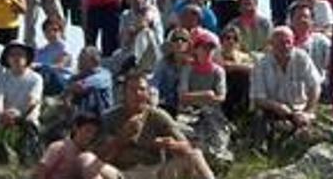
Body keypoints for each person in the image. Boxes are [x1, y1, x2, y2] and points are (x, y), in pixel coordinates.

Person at [79, 73, 215, 179]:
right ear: (124, 93)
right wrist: (121, 138)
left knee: (195, 155)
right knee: (85, 159)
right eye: (132, 90)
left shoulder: (158, 116)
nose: (138, 94)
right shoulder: (109, 118)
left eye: (142, 89)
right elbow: (99, 157)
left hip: (156, 173)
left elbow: (187, 147)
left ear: (148, 93)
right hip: (122, 173)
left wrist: (171, 144)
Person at [249, 26, 323, 150]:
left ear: (293, 42)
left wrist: (308, 112)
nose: (285, 46)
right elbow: (257, 98)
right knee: (259, 116)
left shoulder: (302, 58)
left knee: (310, 132)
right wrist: (277, 106)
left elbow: (315, 86)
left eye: (288, 42)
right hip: (273, 110)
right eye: (280, 43)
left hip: (300, 108)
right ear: (271, 45)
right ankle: (259, 150)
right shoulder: (261, 64)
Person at [178, 28, 232, 165]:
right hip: (188, 113)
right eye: (204, 48)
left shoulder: (218, 71)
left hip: (213, 113)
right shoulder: (188, 69)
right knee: (184, 136)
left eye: (210, 48)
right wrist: (206, 95)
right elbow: (182, 96)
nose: (208, 51)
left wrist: (198, 97)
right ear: (196, 50)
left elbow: (221, 97)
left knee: (218, 139)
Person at [0, 42, 43, 163]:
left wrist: (19, 115)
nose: (16, 58)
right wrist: (1, 114)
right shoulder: (2, 78)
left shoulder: (36, 78)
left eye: (20, 54)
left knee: (29, 123)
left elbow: (33, 101)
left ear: (27, 58)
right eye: (12, 55)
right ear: (7, 59)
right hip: (5, 117)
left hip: (26, 117)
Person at [33, 112, 102, 179]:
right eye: (87, 131)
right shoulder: (59, 147)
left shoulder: (86, 152)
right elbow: (41, 171)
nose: (90, 136)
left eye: (93, 133)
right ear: (76, 128)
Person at [216, 26, 255, 120]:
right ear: (222, 40)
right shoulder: (215, 54)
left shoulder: (243, 56)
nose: (231, 41)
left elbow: (253, 69)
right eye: (228, 38)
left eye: (235, 39)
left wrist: (233, 66)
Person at [152, 28, 192, 115]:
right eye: (175, 39)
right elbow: (154, 84)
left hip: (188, 109)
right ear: (170, 44)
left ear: (188, 44)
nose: (179, 42)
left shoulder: (192, 65)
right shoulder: (162, 63)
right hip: (165, 106)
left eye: (183, 40)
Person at [290, 2, 332, 84]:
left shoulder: (321, 41)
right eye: (298, 17)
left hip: (317, 88)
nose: (302, 20)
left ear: (312, 21)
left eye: (305, 17)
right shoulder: (284, 41)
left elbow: (331, 64)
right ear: (291, 21)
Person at [66, 47, 114, 116]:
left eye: (82, 58)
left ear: (93, 60)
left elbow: (81, 86)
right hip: (82, 118)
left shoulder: (103, 74)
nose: (78, 61)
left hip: (102, 116)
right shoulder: (76, 77)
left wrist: (70, 89)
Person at [35, 17, 72, 96]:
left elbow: (60, 65)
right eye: (48, 31)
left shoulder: (64, 47)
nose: (52, 33)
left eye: (55, 30)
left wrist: (40, 66)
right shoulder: (41, 51)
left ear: (61, 31)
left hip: (61, 81)